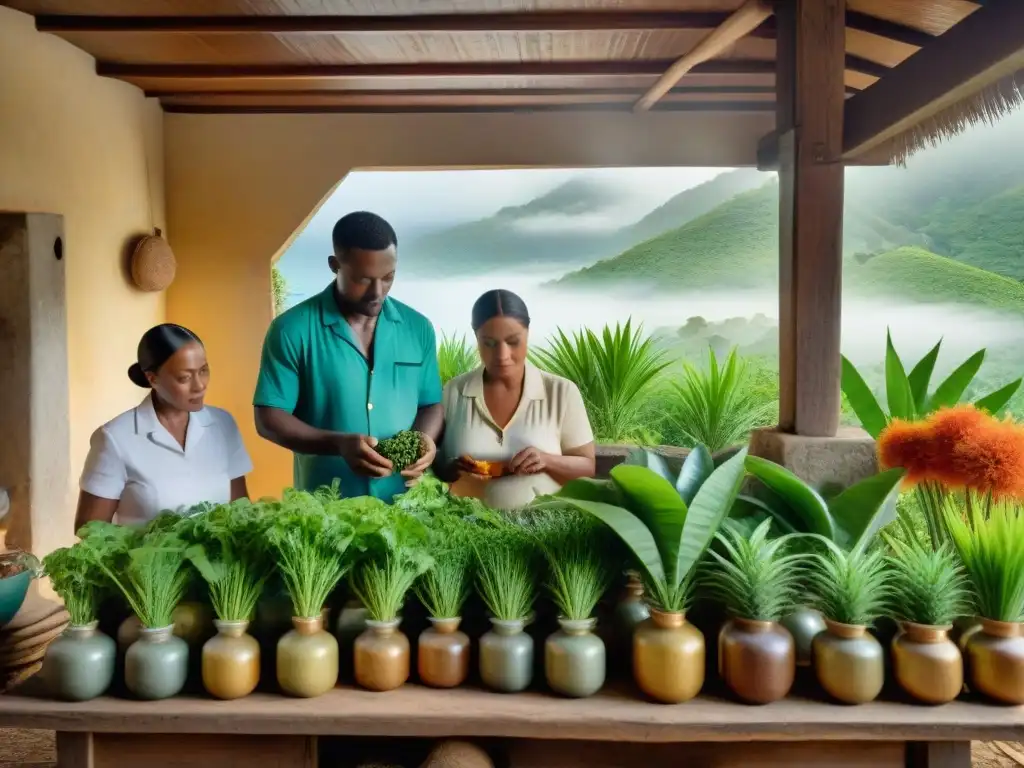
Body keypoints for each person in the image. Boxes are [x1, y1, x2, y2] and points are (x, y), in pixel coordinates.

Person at [253, 211, 442, 501]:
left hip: (407, 509)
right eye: (363, 279)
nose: (377, 292)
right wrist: (337, 444)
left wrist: (425, 438)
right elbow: (269, 417)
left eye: (388, 277)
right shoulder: (291, 330)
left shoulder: (419, 328)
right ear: (335, 265)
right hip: (326, 513)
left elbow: (430, 404)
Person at [75, 324, 252, 530]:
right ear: (153, 379)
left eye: (203, 371)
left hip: (222, 562)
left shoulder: (223, 424)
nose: (199, 385)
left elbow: (242, 510)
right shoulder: (115, 438)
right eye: (185, 377)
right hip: (144, 562)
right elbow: (89, 529)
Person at [438, 289, 596, 508]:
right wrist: (451, 467)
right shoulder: (454, 391)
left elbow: (587, 465)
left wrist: (547, 460)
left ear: (528, 334)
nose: (502, 355)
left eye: (513, 342)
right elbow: (435, 461)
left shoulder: (562, 392)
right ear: (476, 338)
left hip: (544, 530)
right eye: (489, 343)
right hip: (463, 529)